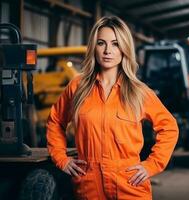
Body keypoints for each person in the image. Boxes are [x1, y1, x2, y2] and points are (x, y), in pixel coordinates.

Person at [46, 16, 179, 200]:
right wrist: (61, 158)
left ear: (124, 48)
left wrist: (151, 165)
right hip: (88, 184)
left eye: (115, 44)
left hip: (129, 183)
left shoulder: (138, 91)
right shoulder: (78, 86)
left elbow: (169, 127)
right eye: (101, 43)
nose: (108, 51)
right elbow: (56, 121)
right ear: (94, 47)